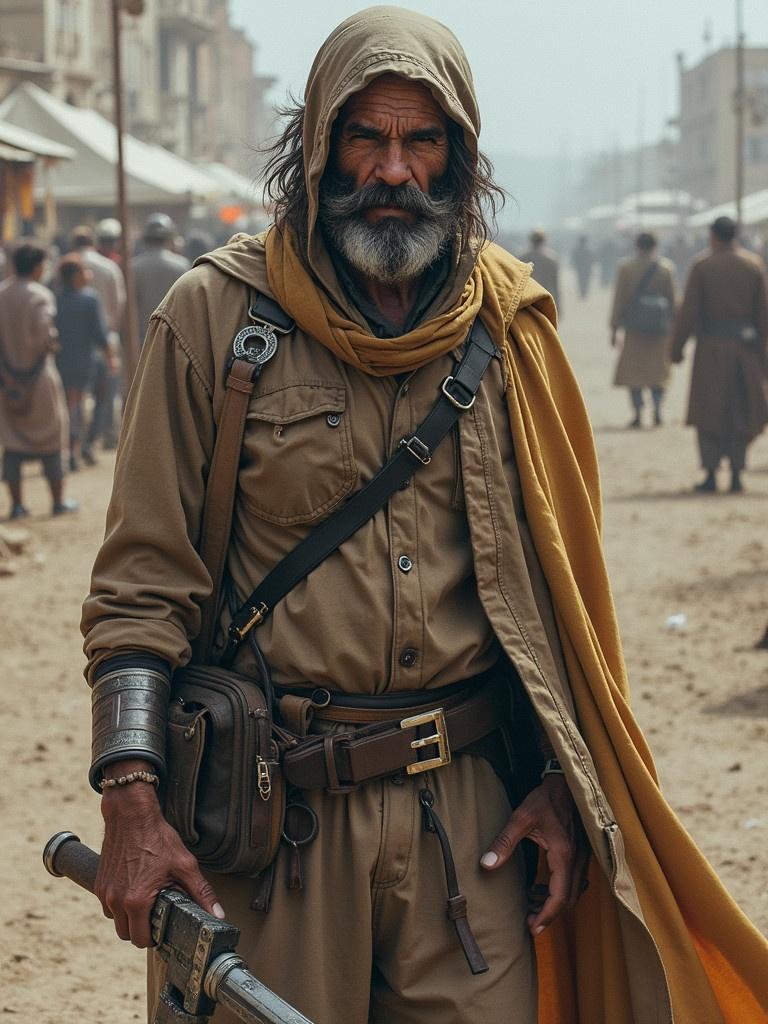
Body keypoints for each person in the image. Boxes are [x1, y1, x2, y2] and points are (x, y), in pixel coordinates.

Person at [81, 9, 767, 1024]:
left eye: (422, 140)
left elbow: (554, 604)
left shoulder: (511, 326)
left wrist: (559, 785)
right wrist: (130, 799)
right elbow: (140, 588)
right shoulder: (214, 321)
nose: (393, 170)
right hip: (273, 828)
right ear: (318, 148)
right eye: (367, 137)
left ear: (461, 154)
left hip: (471, 836)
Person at [671, 215, 768, 493]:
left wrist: (676, 349)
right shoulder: (753, 266)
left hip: (710, 351)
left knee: (708, 412)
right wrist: (763, 352)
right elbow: (763, 315)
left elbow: (687, 312)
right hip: (745, 352)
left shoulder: (702, 266)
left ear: (713, 236)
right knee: (741, 412)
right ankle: (737, 473)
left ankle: (711, 473)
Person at [0, 242, 76, 518]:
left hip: (7, 381)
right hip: (39, 380)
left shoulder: (2, 293)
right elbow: (46, 336)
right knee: (52, 439)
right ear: (36, 267)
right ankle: (58, 501)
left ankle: (17, 505)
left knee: (12, 443)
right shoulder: (41, 295)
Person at [69, 225, 126, 459]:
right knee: (104, 394)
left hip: (73, 342)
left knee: (75, 397)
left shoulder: (66, 265)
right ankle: (91, 441)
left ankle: (75, 441)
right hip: (106, 338)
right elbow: (119, 303)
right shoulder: (109, 267)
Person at [609, 231, 676, 428]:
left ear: (636, 245)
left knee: (634, 372)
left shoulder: (626, 268)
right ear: (656, 245)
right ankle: (657, 409)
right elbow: (673, 302)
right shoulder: (666, 268)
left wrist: (614, 328)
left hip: (634, 328)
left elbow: (618, 299)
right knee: (658, 372)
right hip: (659, 329)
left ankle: (638, 412)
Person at [54, 254, 111, 471]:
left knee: (69, 406)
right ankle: (74, 450)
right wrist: (110, 357)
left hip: (61, 361)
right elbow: (99, 333)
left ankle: (67, 450)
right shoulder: (90, 299)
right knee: (78, 406)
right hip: (83, 361)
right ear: (76, 275)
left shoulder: (56, 297)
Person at [129, 213, 191, 344]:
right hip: (175, 336)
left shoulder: (134, 267)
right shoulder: (182, 265)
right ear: (170, 238)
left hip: (143, 337)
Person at [520, 229, 561, 313]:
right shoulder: (551, 258)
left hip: (528, 298)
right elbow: (555, 282)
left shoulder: (523, 257)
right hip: (546, 297)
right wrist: (558, 304)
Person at [570, 234, 594, 299]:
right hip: (587, 269)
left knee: (580, 280)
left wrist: (573, 265)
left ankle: (582, 293)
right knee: (586, 281)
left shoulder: (576, 250)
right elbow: (592, 259)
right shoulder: (588, 250)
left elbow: (573, 259)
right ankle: (584, 293)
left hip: (580, 269)